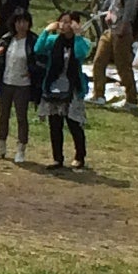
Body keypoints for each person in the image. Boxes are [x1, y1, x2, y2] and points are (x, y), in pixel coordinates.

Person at [32, 11, 92, 170]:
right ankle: (57, 158)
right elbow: (38, 49)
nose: (64, 25)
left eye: (68, 22)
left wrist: (78, 35)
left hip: (72, 88)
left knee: (74, 123)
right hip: (53, 86)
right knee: (55, 124)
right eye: (62, 22)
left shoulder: (83, 42)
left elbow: (81, 54)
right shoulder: (53, 41)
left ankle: (80, 156)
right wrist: (46, 30)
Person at [0, 4, 36, 161]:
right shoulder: (7, 39)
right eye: (19, 22)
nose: (22, 25)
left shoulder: (33, 41)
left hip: (23, 85)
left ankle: (21, 149)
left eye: (25, 22)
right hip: (6, 82)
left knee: (22, 117)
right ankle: (0, 147)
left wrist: (32, 71)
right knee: (3, 115)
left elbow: (40, 61)